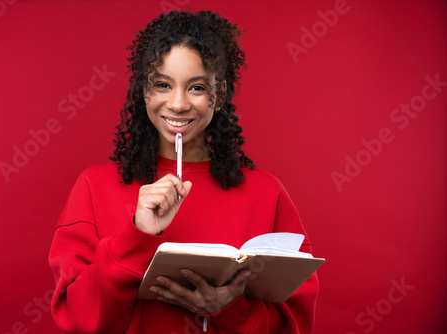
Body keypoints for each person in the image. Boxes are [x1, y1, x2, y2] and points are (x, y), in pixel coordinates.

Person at [49, 10, 319, 334]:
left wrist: (232, 311)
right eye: (162, 84)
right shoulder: (93, 187)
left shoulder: (267, 194)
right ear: (144, 91)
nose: (177, 104)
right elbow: (77, 319)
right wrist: (138, 236)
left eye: (196, 88)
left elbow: (295, 325)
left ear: (219, 95)